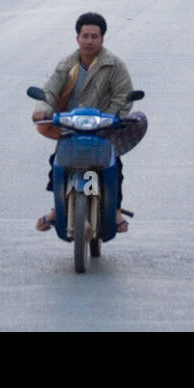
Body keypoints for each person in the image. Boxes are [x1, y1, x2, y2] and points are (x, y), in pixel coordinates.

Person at [32, 12, 137, 233]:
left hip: (103, 130)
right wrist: (42, 111)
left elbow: (123, 96)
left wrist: (109, 119)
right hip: (72, 128)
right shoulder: (66, 64)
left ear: (102, 39)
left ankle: (115, 210)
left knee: (115, 167)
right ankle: (58, 209)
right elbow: (50, 90)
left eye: (94, 36)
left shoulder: (115, 65)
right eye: (85, 36)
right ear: (77, 38)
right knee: (57, 163)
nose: (89, 41)